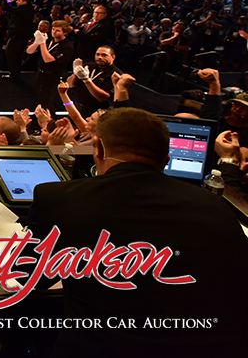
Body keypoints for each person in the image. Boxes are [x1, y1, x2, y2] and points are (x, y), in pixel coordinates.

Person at [28, 107, 248, 357]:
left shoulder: (57, 199)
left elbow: (30, 278)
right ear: (167, 158)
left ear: (98, 148)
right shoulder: (216, 207)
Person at [28, 19, 74, 115]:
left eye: (58, 30)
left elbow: (47, 59)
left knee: (47, 102)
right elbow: (29, 51)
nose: (54, 32)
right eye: (53, 29)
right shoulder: (49, 40)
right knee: (39, 99)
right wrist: (37, 42)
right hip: (41, 73)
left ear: (65, 32)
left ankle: (49, 121)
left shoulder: (67, 46)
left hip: (52, 76)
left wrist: (42, 43)